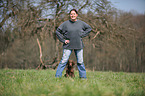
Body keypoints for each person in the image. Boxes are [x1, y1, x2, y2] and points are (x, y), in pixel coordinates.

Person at [55, 9, 92, 79]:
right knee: (63, 61)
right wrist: (63, 40)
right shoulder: (65, 24)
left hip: (79, 45)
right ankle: (57, 77)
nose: (72, 15)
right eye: (71, 14)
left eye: (74, 14)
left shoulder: (81, 23)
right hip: (68, 45)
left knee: (80, 62)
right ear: (70, 15)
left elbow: (89, 28)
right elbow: (58, 31)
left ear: (77, 15)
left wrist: (82, 34)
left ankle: (83, 77)